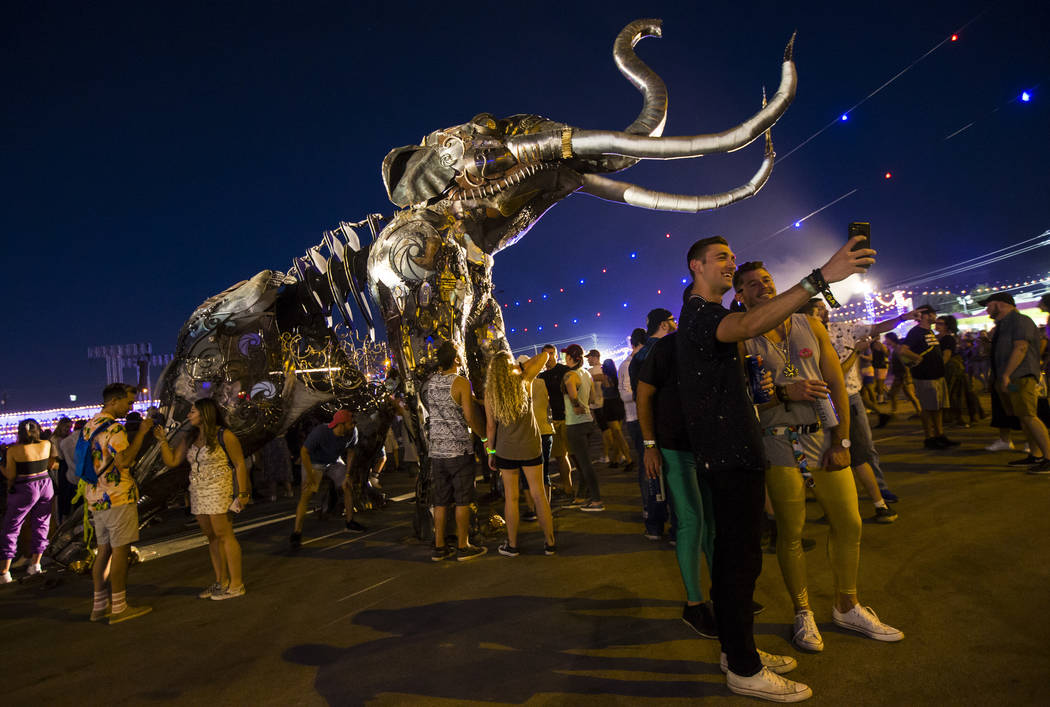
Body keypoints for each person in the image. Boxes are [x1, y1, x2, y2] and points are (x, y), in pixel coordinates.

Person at [676, 234, 873, 702]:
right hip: (730, 455)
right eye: (721, 257)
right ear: (695, 266)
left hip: (737, 450)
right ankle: (744, 669)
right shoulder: (704, 315)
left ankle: (735, 651)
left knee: (737, 560)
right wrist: (821, 277)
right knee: (738, 563)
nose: (731, 263)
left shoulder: (711, 316)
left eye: (732, 256)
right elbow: (749, 325)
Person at [737, 264, 903, 655]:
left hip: (823, 439)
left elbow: (837, 386)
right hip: (778, 444)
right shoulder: (742, 336)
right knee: (791, 532)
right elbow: (739, 400)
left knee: (849, 522)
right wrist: (783, 394)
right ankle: (803, 612)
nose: (763, 287)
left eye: (767, 280)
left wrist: (843, 441)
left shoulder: (809, 324)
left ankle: (847, 604)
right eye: (751, 285)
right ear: (739, 295)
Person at [636, 329, 717, 637]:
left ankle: (721, 594)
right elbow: (644, 394)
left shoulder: (717, 338)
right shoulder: (668, 346)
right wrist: (649, 445)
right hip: (674, 446)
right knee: (691, 521)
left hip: (708, 445)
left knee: (711, 522)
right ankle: (695, 604)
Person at [801, 298, 901, 512]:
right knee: (831, 451)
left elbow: (876, 327)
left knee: (861, 449)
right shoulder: (804, 339)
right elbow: (834, 376)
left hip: (850, 397)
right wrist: (856, 351)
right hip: (824, 400)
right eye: (817, 310)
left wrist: (903, 317)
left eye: (823, 309)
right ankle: (845, 502)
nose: (823, 312)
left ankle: (879, 495)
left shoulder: (841, 329)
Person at [155, 398, 251, 600]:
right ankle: (220, 581)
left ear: (205, 413)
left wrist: (242, 493)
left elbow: (240, 464)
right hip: (198, 491)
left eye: (192, 411)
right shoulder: (190, 437)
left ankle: (236, 583)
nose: (189, 415)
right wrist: (163, 441)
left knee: (224, 534)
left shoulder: (225, 435)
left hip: (219, 489)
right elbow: (172, 461)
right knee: (211, 537)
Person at [83, 383, 154, 623]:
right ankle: (119, 606)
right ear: (114, 401)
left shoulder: (89, 426)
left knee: (103, 551)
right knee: (120, 552)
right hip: (117, 496)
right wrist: (142, 433)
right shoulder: (114, 429)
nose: (130, 407)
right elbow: (124, 461)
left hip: (95, 497)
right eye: (128, 402)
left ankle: (98, 606)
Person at [485, 350, 557, 556]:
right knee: (539, 494)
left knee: (511, 498)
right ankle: (550, 542)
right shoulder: (525, 379)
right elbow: (545, 355)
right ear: (511, 365)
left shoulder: (490, 393)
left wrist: (491, 452)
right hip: (530, 446)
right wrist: (521, 367)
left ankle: (513, 545)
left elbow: (490, 427)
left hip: (506, 449)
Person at [422, 341, 488, 561]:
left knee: (440, 501)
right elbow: (469, 417)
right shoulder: (461, 382)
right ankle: (463, 545)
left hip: (437, 452)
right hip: (459, 450)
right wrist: (485, 438)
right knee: (462, 500)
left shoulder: (430, 383)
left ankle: (439, 547)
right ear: (457, 360)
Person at [983, 293, 1050, 474]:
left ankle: (1048, 458)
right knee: (1022, 416)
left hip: (1021, 377)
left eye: (988, 305)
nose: (986, 309)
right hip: (1010, 380)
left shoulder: (1020, 321)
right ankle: (1035, 456)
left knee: (1029, 415)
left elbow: (1021, 348)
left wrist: (1006, 375)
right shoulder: (1002, 325)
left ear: (1000, 304)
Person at [628, 309, 677, 539]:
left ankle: (654, 524)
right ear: (664, 325)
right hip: (668, 421)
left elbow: (639, 395)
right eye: (672, 320)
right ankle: (678, 528)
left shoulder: (636, 357)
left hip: (644, 422)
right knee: (676, 475)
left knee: (651, 473)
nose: (675, 324)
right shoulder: (668, 349)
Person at [290, 408, 365, 550]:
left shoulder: (351, 433)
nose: (354, 426)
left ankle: (350, 522)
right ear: (341, 424)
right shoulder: (321, 432)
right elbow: (304, 452)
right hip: (314, 463)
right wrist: (310, 476)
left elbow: (351, 452)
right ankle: (296, 532)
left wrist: (347, 475)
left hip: (334, 462)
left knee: (347, 486)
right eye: (351, 423)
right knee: (306, 494)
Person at [1, 419, 56, 583]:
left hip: (24, 488)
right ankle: (35, 565)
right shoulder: (46, 444)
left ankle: (4, 573)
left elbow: (10, 475)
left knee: (12, 527)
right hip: (46, 484)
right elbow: (51, 464)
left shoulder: (14, 450)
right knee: (42, 524)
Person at [899, 305, 959, 449]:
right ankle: (929, 438)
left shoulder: (929, 331)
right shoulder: (916, 332)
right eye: (932, 314)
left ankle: (940, 435)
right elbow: (903, 350)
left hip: (936, 375)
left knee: (938, 407)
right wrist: (917, 358)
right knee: (927, 408)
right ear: (924, 315)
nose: (935, 317)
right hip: (925, 376)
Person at [561, 344, 603, 511]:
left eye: (566, 356)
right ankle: (581, 497)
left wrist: (576, 404)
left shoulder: (570, 375)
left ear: (571, 358)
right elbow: (592, 398)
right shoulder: (586, 374)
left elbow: (572, 394)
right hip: (588, 421)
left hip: (575, 423)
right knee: (583, 461)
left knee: (584, 464)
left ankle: (597, 500)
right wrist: (583, 404)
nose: (565, 358)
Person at [538, 344, 575, 498]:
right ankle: (568, 488)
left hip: (568, 418)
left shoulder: (564, 371)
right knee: (560, 456)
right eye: (545, 355)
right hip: (553, 421)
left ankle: (583, 487)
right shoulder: (541, 377)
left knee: (575, 454)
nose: (548, 357)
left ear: (555, 355)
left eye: (551, 354)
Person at [618, 328, 648, 472]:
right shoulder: (626, 365)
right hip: (635, 419)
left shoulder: (644, 361)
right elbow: (624, 395)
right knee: (645, 462)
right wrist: (645, 392)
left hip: (646, 416)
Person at [884, 332, 921, 416]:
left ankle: (919, 410)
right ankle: (894, 411)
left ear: (891, 339)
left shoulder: (898, 349)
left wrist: (906, 375)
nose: (886, 341)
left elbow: (905, 362)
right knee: (896, 394)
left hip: (902, 375)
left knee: (908, 394)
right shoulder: (892, 349)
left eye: (887, 339)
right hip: (899, 375)